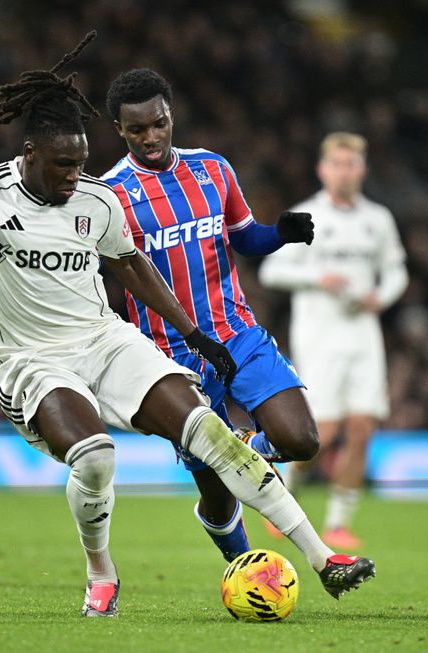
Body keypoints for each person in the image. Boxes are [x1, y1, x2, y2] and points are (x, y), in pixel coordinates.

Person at [0, 32, 373, 617]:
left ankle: (324, 559)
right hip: (35, 360)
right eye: (63, 166)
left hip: (116, 341)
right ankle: (102, 571)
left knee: (219, 435)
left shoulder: (101, 197)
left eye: (80, 164)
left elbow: (135, 268)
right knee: (95, 457)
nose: (74, 177)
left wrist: (197, 334)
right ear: (31, 152)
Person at [101, 68, 374, 588]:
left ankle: (243, 446)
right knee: (219, 492)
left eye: (158, 124)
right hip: (170, 359)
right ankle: (249, 571)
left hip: (236, 332)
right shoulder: (111, 195)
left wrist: (281, 234)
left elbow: (245, 239)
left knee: (302, 440)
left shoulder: (213, 170)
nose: (151, 137)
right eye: (138, 130)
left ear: (171, 115)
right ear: (120, 130)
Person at [259, 132, 408, 549]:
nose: (345, 171)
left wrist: (382, 295)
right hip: (320, 336)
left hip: (364, 334)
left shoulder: (377, 219)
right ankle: (285, 496)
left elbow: (396, 270)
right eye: (337, 163)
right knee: (320, 433)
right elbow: (271, 272)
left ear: (362, 168)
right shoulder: (307, 216)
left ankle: (339, 522)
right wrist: (317, 278)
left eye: (352, 163)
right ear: (323, 169)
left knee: (362, 426)